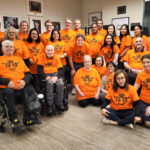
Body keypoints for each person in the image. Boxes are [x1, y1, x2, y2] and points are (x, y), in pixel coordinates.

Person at [0, 40, 38, 131]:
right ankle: (14, 120)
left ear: (14, 49)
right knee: (9, 92)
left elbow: (28, 73)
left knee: (28, 89)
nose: (9, 48)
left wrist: (24, 81)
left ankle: (27, 118)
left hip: (21, 87)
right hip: (7, 89)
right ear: (2, 49)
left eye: (11, 47)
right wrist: (6, 81)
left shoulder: (19, 59)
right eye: (7, 47)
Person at [37, 45, 64, 116]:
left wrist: (57, 77)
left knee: (61, 84)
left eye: (51, 50)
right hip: (46, 75)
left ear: (54, 51)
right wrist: (45, 76)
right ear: (45, 51)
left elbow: (61, 70)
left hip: (55, 74)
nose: (50, 52)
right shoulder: (41, 57)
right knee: (49, 83)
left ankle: (59, 104)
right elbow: (39, 69)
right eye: (48, 50)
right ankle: (50, 105)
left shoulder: (57, 57)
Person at [25, 28, 44, 93]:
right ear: (30, 34)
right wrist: (29, 59)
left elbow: (43, 54)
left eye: (36, 34)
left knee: (39, 82)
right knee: (31, 82)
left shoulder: (40, 44)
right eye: (33, 33)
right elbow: (24, 53)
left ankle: (39, 94)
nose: (34, 35)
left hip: (39, 66)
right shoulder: (26, 43)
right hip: (30, 65)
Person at [134, 54, 150, 127]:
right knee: (138, 120)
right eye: (143, 62)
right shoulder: (140, 74)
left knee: (148, 123)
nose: (145, 64)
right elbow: (134, 89)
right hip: (142, 102)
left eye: (148, 62)